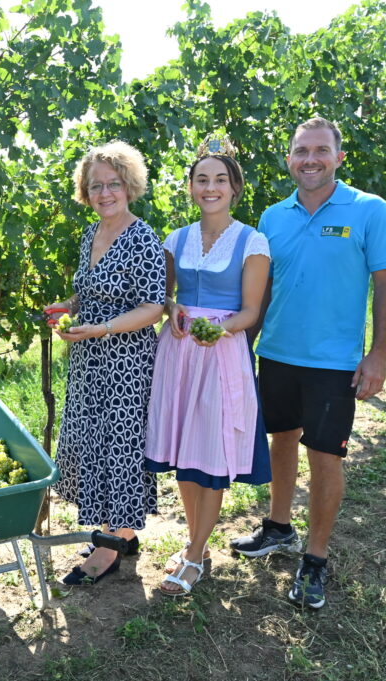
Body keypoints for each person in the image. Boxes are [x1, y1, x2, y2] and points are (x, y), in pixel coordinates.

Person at [229, 117, 386, 609]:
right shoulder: (272, 217)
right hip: (277, 354)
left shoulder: (370, 210)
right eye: (301, 150)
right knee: (280, 440)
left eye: (321, 150)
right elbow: (259, 292)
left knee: (325, 456)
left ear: (339, 158)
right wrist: (245, 345)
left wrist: (379, 354)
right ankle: (278, 527)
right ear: (289, 158)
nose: (310, 159)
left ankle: (316, 558)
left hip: (334, 363)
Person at [143, 137, 272, 596]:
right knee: (185, 451)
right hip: (178, 352)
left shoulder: (252, 240)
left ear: (235, 188)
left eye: (220, 179)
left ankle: (195, 555)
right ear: (191, 188)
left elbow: (251, 310)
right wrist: (173, 309)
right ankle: (194, 543)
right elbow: (165, 297)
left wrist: (219, 329)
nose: (210, 187)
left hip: (220, 352)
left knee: (209, 454)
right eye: (202, 180)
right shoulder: (175, 239)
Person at [44, 140, 166, 585]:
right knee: (94, 441)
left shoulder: (142, 237)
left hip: (126, 360)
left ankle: (113, 544)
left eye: (113, 183)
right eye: (95, 185)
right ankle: (117, 533)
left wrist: (103, 328)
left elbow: (154, 307)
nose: (104, 192)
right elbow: (88, 292)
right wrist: (66, 305)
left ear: (129, 185)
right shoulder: (90, 235)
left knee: (121, 445)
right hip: (89, 359)